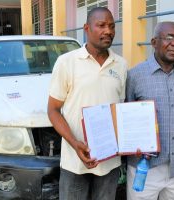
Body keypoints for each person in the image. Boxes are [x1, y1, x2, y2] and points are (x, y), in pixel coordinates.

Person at [47, 7, 128, 200]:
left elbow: (120, 110)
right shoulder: (67, 62)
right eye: (101, 25)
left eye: (111, 26)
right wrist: (75, 144)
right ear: (86, 28)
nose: (108, 31)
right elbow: (53, 110)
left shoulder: (121, 64)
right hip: (75, 160)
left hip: (109, 161)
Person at [126, 21, 174, 200]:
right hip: (144, 167)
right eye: (169, 37)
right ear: (154, 42)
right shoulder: (135, 75)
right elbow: (127, 118)